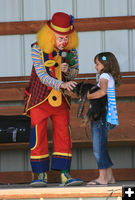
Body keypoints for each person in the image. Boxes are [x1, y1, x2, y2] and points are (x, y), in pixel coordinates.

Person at [24, 12, 83, 187]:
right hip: (39, 100)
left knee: (64, 135)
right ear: (50, 35)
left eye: (66, 38)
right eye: (60, 38)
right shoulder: (37, 48)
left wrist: (67, 72)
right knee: (38, 135)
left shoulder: (72, 51)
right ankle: (40, 175)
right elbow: (42, 75)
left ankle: (65, 174)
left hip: (61, 102)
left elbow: (75, 72)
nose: (63, 42)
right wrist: (62, 84)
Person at [86, 52, 121, 185]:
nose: (96, 67)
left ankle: (103, 178)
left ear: (105, 64)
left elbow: (102, 92)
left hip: (101, 116)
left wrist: (88, 96)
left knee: (98, 148)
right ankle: (110, 177)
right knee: (102, 147)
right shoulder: (108, 76)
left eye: (98, 64)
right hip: (107, 116)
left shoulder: (104, 76)